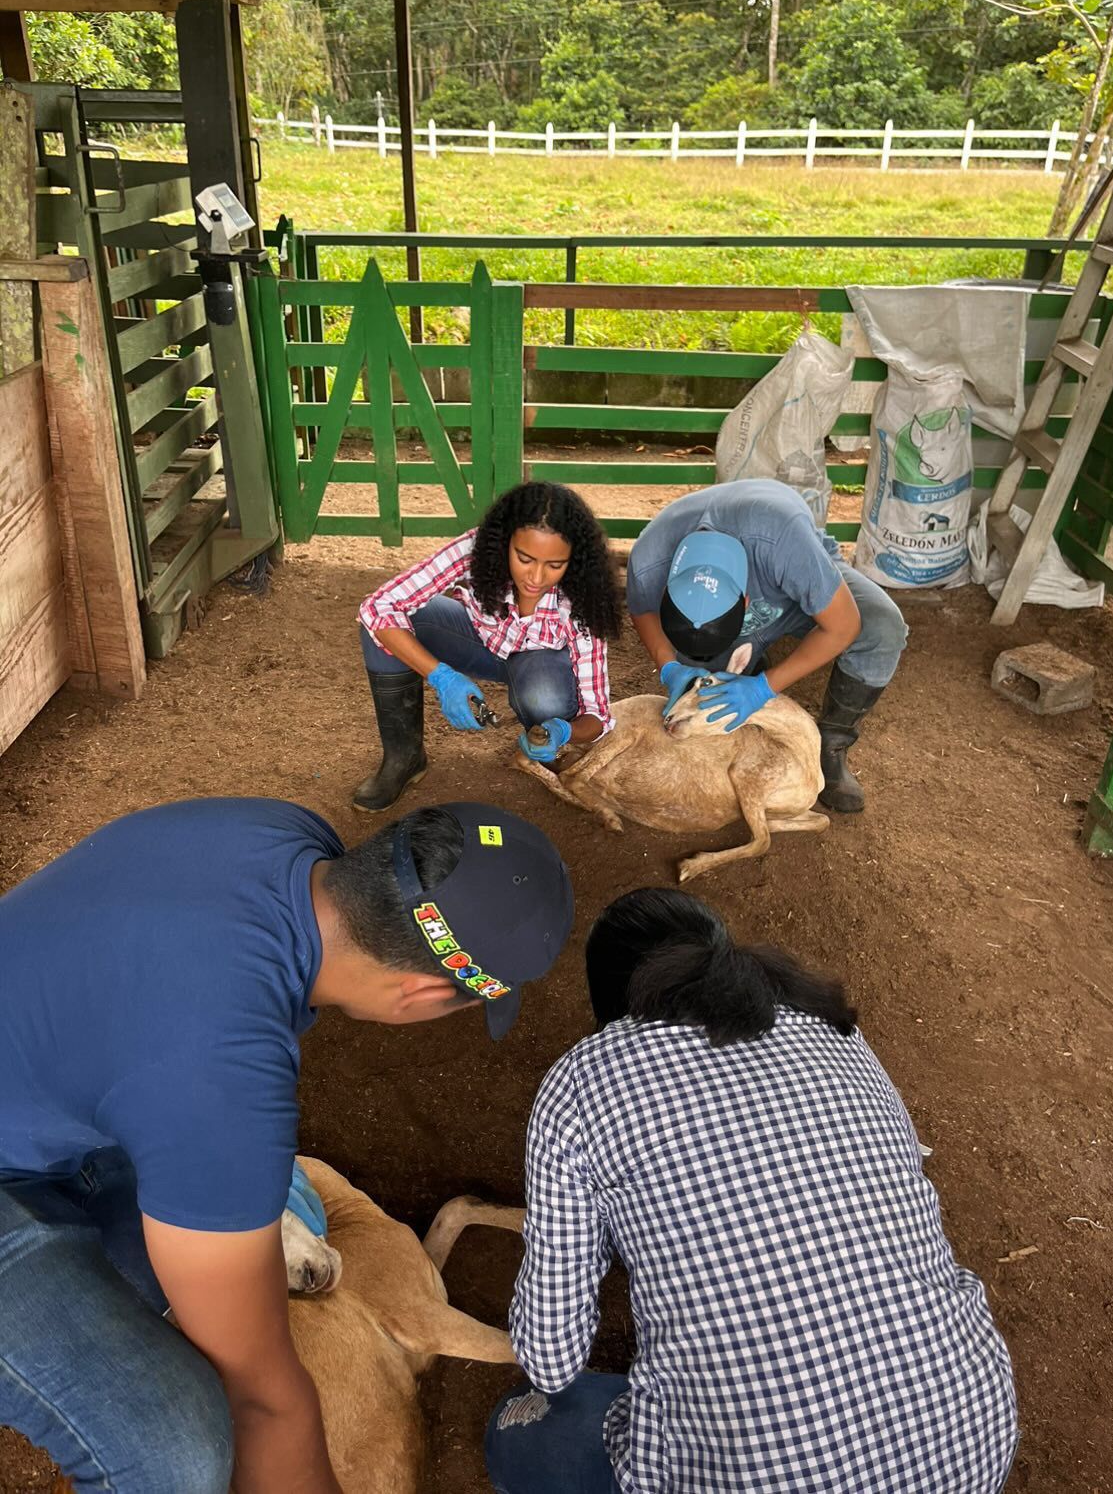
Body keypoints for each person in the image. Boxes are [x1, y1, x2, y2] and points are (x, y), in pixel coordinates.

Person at [0, 796, 572, 1494]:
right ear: (420, 995)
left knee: (270, 1225)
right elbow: (267, 1401)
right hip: (30, 1169)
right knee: (176, 1452)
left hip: (55, 1092)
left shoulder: (280, 834)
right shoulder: (220, 1076)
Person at [488, 888, 1018, 1494]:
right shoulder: (836, 1030)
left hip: (755, 1476)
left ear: (612, 1000)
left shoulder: (583, 1078)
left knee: (516, 1435)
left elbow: (551, 1359)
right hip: (973, 1439)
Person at [626, 478, 908, 813]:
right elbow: (642, 610)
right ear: (666, 590)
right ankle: (745, 674)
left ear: (746, 602)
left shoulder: (784, 540)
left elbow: (844, 626)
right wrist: (670, 666)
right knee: (706, 692)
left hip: (791, 578)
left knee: (882, 629)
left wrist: (762, 688)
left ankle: (831, 745)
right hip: (751, 590)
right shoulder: (648, 559)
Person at [354, 480, 622, 812]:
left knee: (543, 696)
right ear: (504, 542)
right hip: (479, 644)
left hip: (540, 667)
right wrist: (442, 677)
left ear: (574, 560)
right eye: (524, 558)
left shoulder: (584, 599)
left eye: (555, 566)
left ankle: (547, 747)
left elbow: (598, 714)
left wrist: (565, 730)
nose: (536, 578)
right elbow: (377, 607)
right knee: (380, 626)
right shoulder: (478, 548)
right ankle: (404, 759)